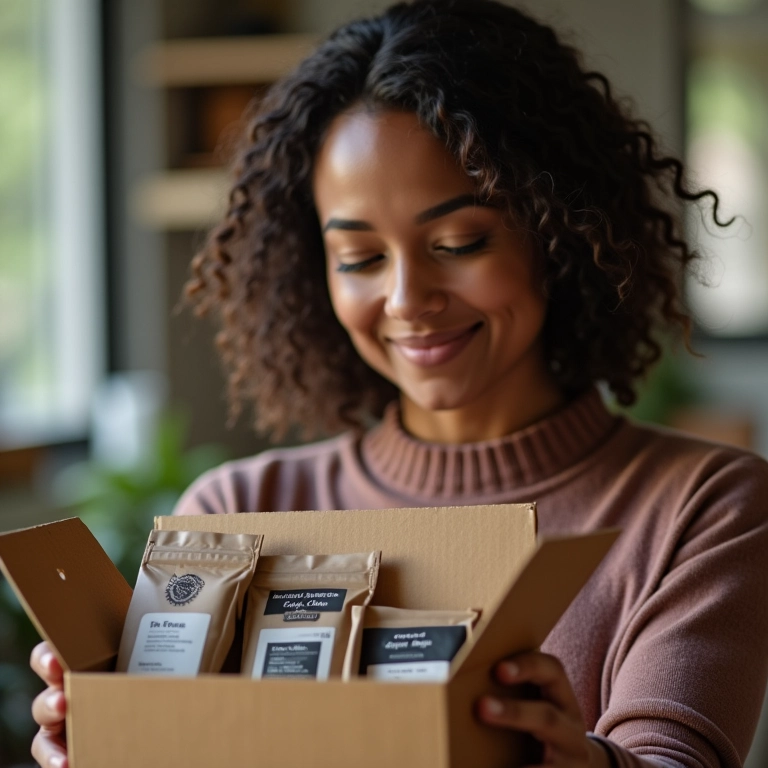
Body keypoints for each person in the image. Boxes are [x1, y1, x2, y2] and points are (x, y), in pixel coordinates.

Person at [29, 1, 768, 766]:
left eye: (459, 242)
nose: (408, 299)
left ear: (557, 232)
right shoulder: (234, 518)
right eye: (359, 258)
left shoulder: (700, 507)